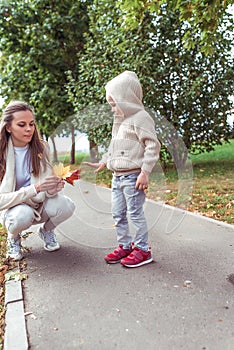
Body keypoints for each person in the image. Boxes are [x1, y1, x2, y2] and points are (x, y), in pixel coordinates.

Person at [84, 71, 161, 268]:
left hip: (133, 176)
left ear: (126, 99)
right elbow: (114, 147)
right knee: (118, 214)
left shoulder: (140, 118)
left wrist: (145, 172)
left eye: (114, 103)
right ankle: (126, 245)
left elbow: (153, 146)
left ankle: (143, 250)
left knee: (135, 213)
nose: (112, 109)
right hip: (117, 178)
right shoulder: (119, 122)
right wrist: (104, 161)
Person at [0, 100, 76, 261]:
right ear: (8, 127)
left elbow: (44, 184)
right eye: (21, 124)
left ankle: (46, 231)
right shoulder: (2, 154)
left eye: (31, 124)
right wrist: (35, 188)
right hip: (13, 208)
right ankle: (13, 238)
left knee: (66, 205)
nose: (28, 129)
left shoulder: (42, 147)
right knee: (22, 215)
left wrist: (52, 188)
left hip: (38, 203)